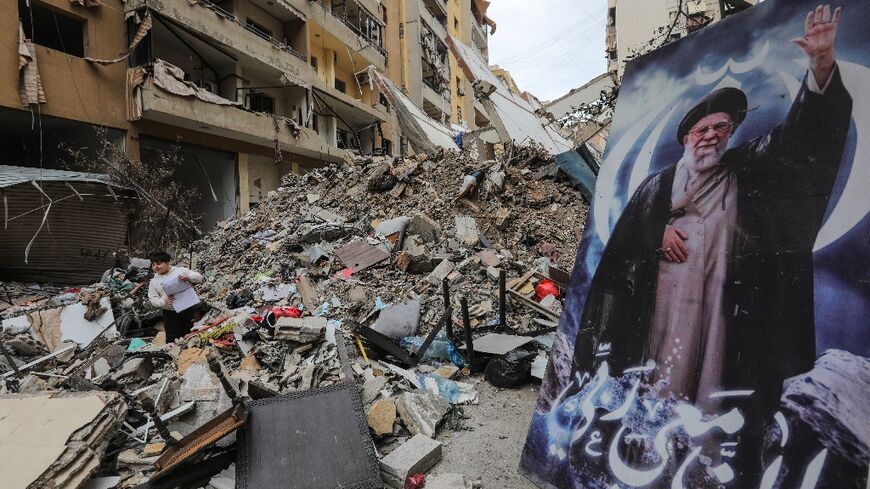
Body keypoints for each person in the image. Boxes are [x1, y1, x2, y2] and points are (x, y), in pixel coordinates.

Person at [570, 2, 852, 459]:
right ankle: (646, 447)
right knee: (655, 393)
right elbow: (620, 250)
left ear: (732, 132)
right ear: (686, 138)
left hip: (722, 318)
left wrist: (820, 70)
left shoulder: (748, 169)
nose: (711, 135)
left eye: (721, 127)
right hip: (659, 318)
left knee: (710, 402)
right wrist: (655, 235)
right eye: (702, 128)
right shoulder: (656, 188)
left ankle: (701, 455)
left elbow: (799, 143)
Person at [147, 250, 203, 342]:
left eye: (159, 264)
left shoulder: (180, 271)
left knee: (190, 335)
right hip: (169, 313)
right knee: (172, 339)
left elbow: (199, 277)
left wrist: (189, 277)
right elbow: (153, 299)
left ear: (167, 262)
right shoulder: (154, 282)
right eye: (153, 265)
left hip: (187, 309)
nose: (156, 267)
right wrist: (163, 301)